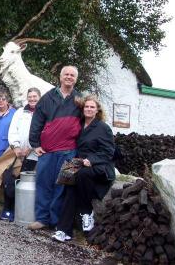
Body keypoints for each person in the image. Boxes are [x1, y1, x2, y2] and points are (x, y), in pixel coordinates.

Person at [52, 95, 115, 242]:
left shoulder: (103, 127)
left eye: (92, 107)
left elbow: (109, 152)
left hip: (98, 166)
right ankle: (63, 231)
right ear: (83, 109)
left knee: (81, 175)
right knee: (68, 187)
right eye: (86, 106)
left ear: (97, 110)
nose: (89, 109)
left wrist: (91, 160)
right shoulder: (78, 123)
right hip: (77, 163)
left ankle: (86, 211)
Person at [28, 65, 82, 230]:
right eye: (66, 74)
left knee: (63, 187)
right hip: (47, 152)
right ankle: (42, 219)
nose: (69, 77)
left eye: (72, 75)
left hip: (70, 152)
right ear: (60, 77)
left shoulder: (80, 100)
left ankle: (58, 222)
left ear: (76, 79)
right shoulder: (48, 97)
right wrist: (35, 144)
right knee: (43, 185)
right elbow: (37, 121)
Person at [0, 87, 41, 222]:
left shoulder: (43, 114)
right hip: (16, 153)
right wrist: (16, 147)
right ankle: (7, 210)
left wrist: (31, 148)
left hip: (33, 155)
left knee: (25, 185)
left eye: (35, 96)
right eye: (30, 96)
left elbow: (43, 133)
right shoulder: (20, 112)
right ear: (27, 98)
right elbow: (13, 130)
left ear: (39, 98)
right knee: (9, 180)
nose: (32, 99)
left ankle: (20, 213)